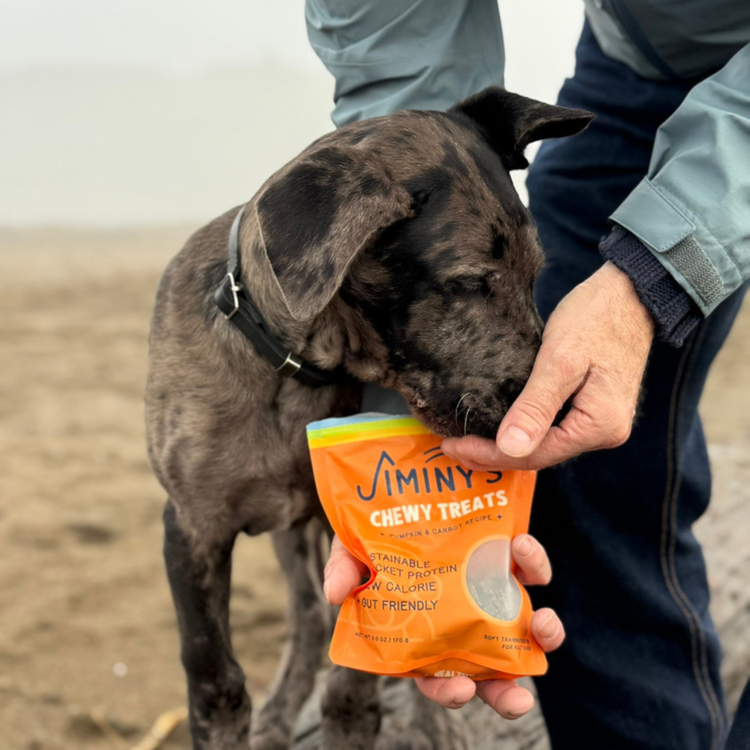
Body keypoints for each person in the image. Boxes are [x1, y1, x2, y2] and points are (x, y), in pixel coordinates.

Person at [305, 2, 750, 749]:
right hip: (647, 60)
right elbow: (408, 84)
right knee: (559, 447)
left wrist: (650, 277)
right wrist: (407, 485)